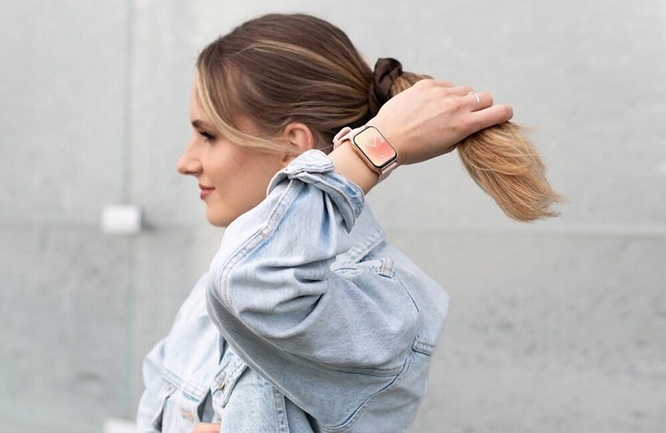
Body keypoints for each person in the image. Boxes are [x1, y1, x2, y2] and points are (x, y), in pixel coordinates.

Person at [137, 12, 558, 433]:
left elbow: (249, 282)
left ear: (292, 147)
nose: (185, 162)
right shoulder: (212, 291)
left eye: (208, 135)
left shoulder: (382, 301)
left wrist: (374, 149)